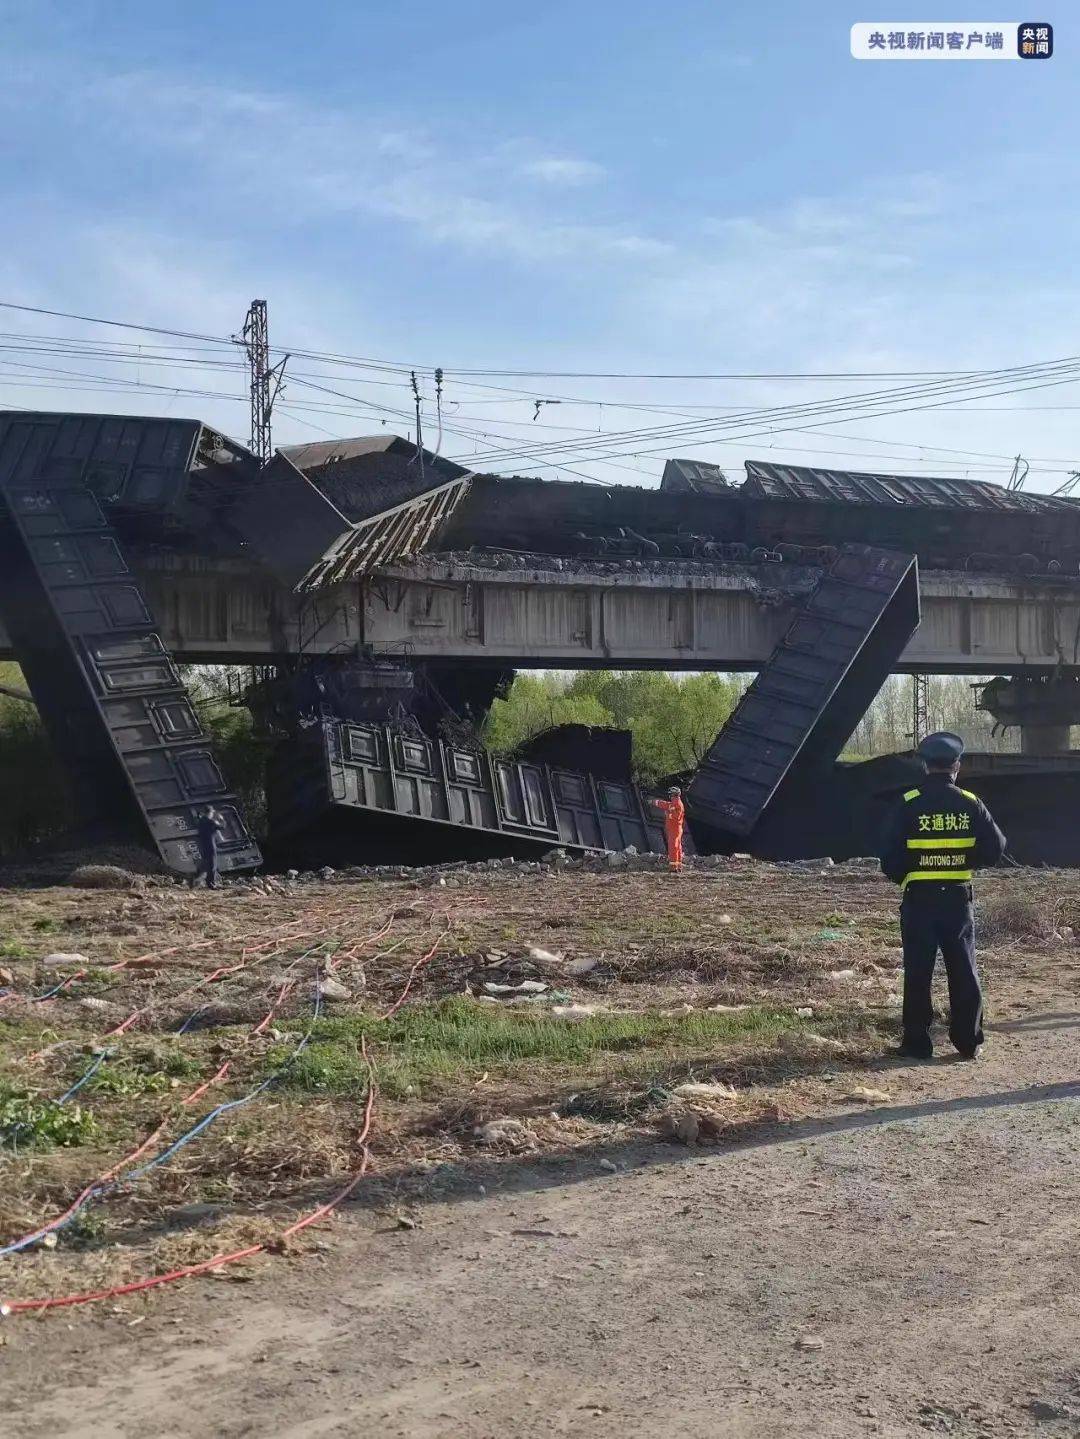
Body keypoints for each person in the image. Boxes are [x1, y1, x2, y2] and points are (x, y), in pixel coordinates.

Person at [880, 731, 1006, 1061]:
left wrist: (908, 874)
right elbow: (996, 848)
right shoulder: (970, 803)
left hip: (919, 900)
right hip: (956, 899)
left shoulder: (907, 804)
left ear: (925, 766)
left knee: (918, 970)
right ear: (957, 766)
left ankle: (917, 1043)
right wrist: (966, 860)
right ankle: (968, 1041)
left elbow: (889, 859)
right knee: (964, 967)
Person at [651, 786, 686, 871]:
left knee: (673, 847)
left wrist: (668, 814)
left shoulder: (676, 804)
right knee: (678, 847)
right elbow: (666, 805)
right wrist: (655, 802)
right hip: (676, 828)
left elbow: (675, 816)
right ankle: (678, 865)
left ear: (673, 795)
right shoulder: (676, 802)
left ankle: (673, 867)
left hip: (675, 828)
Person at [191, 805, 225, 890]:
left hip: (203, 845)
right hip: (210, 845)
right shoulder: (211, 821)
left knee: (204, 863)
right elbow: (222, 827)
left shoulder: (200, 821)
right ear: (210, 812)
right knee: (212, 865)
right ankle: (211, 883)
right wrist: (221, 819)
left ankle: (195, 880)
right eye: (212, 813)